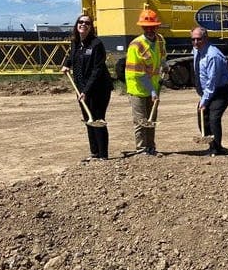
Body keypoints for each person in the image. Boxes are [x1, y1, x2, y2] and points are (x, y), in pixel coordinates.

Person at [61, 14, 114, 161]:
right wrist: (66, 64)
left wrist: (86, 91)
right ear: (76, 24)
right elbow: (72, 56)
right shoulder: (76, 42)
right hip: (81, 87)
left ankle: (103, 155)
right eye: (80, 22)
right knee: (87, 119)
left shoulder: (96, 44)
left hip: (98, 89)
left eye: (87, 23)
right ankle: (94, 154)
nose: (83, 24)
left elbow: (97, 70)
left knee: (97, 119)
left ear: (91, 27)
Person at [125, 9, 167, 157]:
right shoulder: (136, 45)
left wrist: (164, 65)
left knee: (152, 120)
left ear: (157, 27)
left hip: (153, 86)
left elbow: (162, 56)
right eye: (146, 27)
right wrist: (152, 92)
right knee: (141, 121)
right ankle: (141, 150)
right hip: (137, 88)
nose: (149, 30)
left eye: (152, 27)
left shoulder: (160, 40)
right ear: (142, 27)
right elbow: (139, 74)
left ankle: (151, 148)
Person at [192, 26, 228, 156]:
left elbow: (212, 81)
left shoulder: (213, 55)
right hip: (209, 91)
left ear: (206, 38)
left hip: (221, 90)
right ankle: (211, 145)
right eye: (193, 39)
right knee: (202, 116)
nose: (195, 42)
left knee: (213, 117)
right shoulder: (196, 50)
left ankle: (217, 148)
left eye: (198, 39)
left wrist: (204, 101)